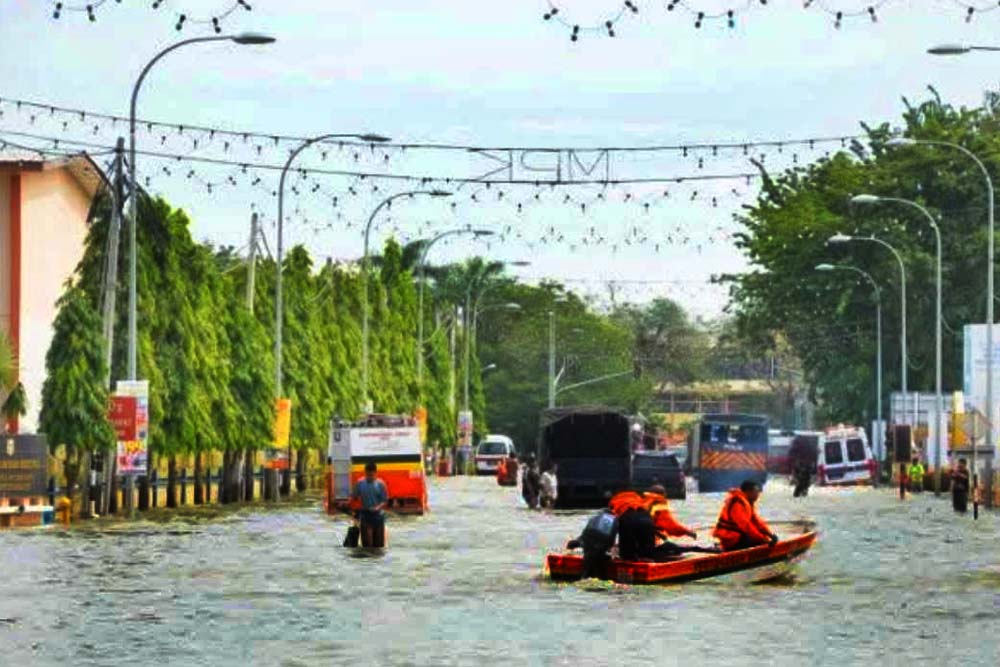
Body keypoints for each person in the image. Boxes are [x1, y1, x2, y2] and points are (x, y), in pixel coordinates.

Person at [713, 480, 778, 551]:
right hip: (731, 539)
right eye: (756, 492)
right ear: (748, 491)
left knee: (763, 537)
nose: (758, 495)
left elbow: (757, 522)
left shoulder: (747, 503)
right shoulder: (738, 503)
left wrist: (770, 535)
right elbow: (746, 526)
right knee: (760, 540)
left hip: (738, 536)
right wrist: (762, 540)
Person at [566, 505, 619, 579]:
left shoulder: (594, 518)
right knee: (600, 567)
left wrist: (571, 546)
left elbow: (584, 537)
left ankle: (586, 574)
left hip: (589, 539)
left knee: (588, 561)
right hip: (603, 543)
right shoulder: (615, 519)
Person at [351, 461, 388, 547]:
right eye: (367, 475)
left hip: (378, 517)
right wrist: (348, 506)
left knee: (379, 547)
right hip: (365, 516)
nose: (369, 477)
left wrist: (377, 507)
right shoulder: (360, 483)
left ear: (375, 473)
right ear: (365, 473)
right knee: (367, 546)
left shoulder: (380, 484)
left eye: (371, 475)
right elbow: (353, 497)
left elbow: (385, 501)